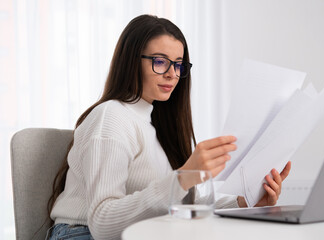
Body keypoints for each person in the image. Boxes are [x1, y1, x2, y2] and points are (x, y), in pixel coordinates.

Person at [47, 14, 291, 240]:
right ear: (132, 61)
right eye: (160, 61)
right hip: (80, 234)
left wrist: (246, 202)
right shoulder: (111, 116)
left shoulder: (155, 126)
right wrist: (183, 177)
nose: (172, 74)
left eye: (178, 64)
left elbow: (180, 204)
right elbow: (102, 222)